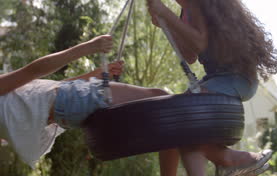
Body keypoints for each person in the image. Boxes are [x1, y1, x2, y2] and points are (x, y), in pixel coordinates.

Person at [146, 0, 277, 176]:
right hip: (218, 78)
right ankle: (225, 163)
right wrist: (166, 25)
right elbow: (189, 56)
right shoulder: (185, 11)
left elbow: (200, 42)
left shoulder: (198, 2)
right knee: (181, 130)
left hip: (237, 78)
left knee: (179, 114)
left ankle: (234, 158)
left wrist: (165, 14)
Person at [0, 35, 177, 169]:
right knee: (164, 100)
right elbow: (35, 70)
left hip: (67, 112)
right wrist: (88, 47)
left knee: (163, 118)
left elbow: (49, 93)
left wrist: (94, 74)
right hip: (69, 101)